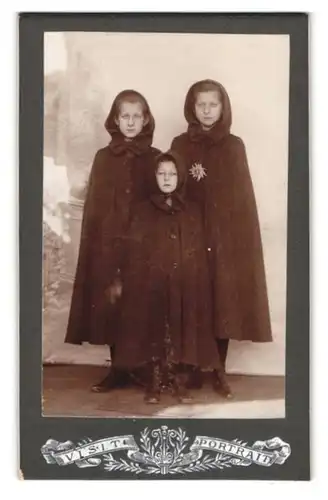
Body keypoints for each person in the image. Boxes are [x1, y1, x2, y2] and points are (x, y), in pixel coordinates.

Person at [171, 79, 273, 394]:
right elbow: (174, 187)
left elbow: (242, 197)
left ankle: (218, 369)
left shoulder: (234, 145)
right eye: (200, 104)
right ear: (191, 106)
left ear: (223, 107)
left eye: (213, 104)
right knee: (192, 297)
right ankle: (189, 367)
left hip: (223, 236)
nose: (206, 110)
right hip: (189, 235)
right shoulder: (180, 144)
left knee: (221, 299)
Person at [110, 151, 230, 404]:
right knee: (154, 329)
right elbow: (135, 248)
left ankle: (179, 381)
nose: (167, 178)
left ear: (181, 177)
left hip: (183, 282)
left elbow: (197, 249)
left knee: (180, 328)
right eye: (162, 173)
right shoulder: (143, 210)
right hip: (152, 282)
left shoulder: (191, 210)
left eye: (172, 174)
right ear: (154, 177)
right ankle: (154, 383)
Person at [64, 89, 160, 392]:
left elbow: (159, 203)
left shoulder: (156, 157)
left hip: (144, 246)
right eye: (125, 116)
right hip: (110, 243)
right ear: (115, 119)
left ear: (145, 120)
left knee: (142, 304)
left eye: (136, 116)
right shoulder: (103, 158)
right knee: (114, 304)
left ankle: (142, 369)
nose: (131, 122)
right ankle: (118, 369)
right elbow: (97, 205)